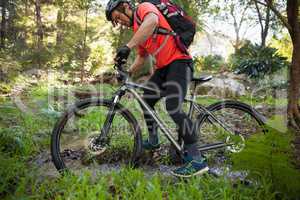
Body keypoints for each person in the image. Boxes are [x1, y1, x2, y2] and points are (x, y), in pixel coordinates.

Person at [105, 0, 209, 177]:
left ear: (126, 7)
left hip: (179, 62)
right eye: (116, 21)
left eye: (118, 17)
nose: (120, 22)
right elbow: (142, 57)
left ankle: (196, 160)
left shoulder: (144, 8)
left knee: (173, 107)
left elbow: (152, 21)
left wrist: (127, 46)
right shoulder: (138, 29)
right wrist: (126, 72)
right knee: (146, 100)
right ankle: (153, 140)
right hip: (164, 69)